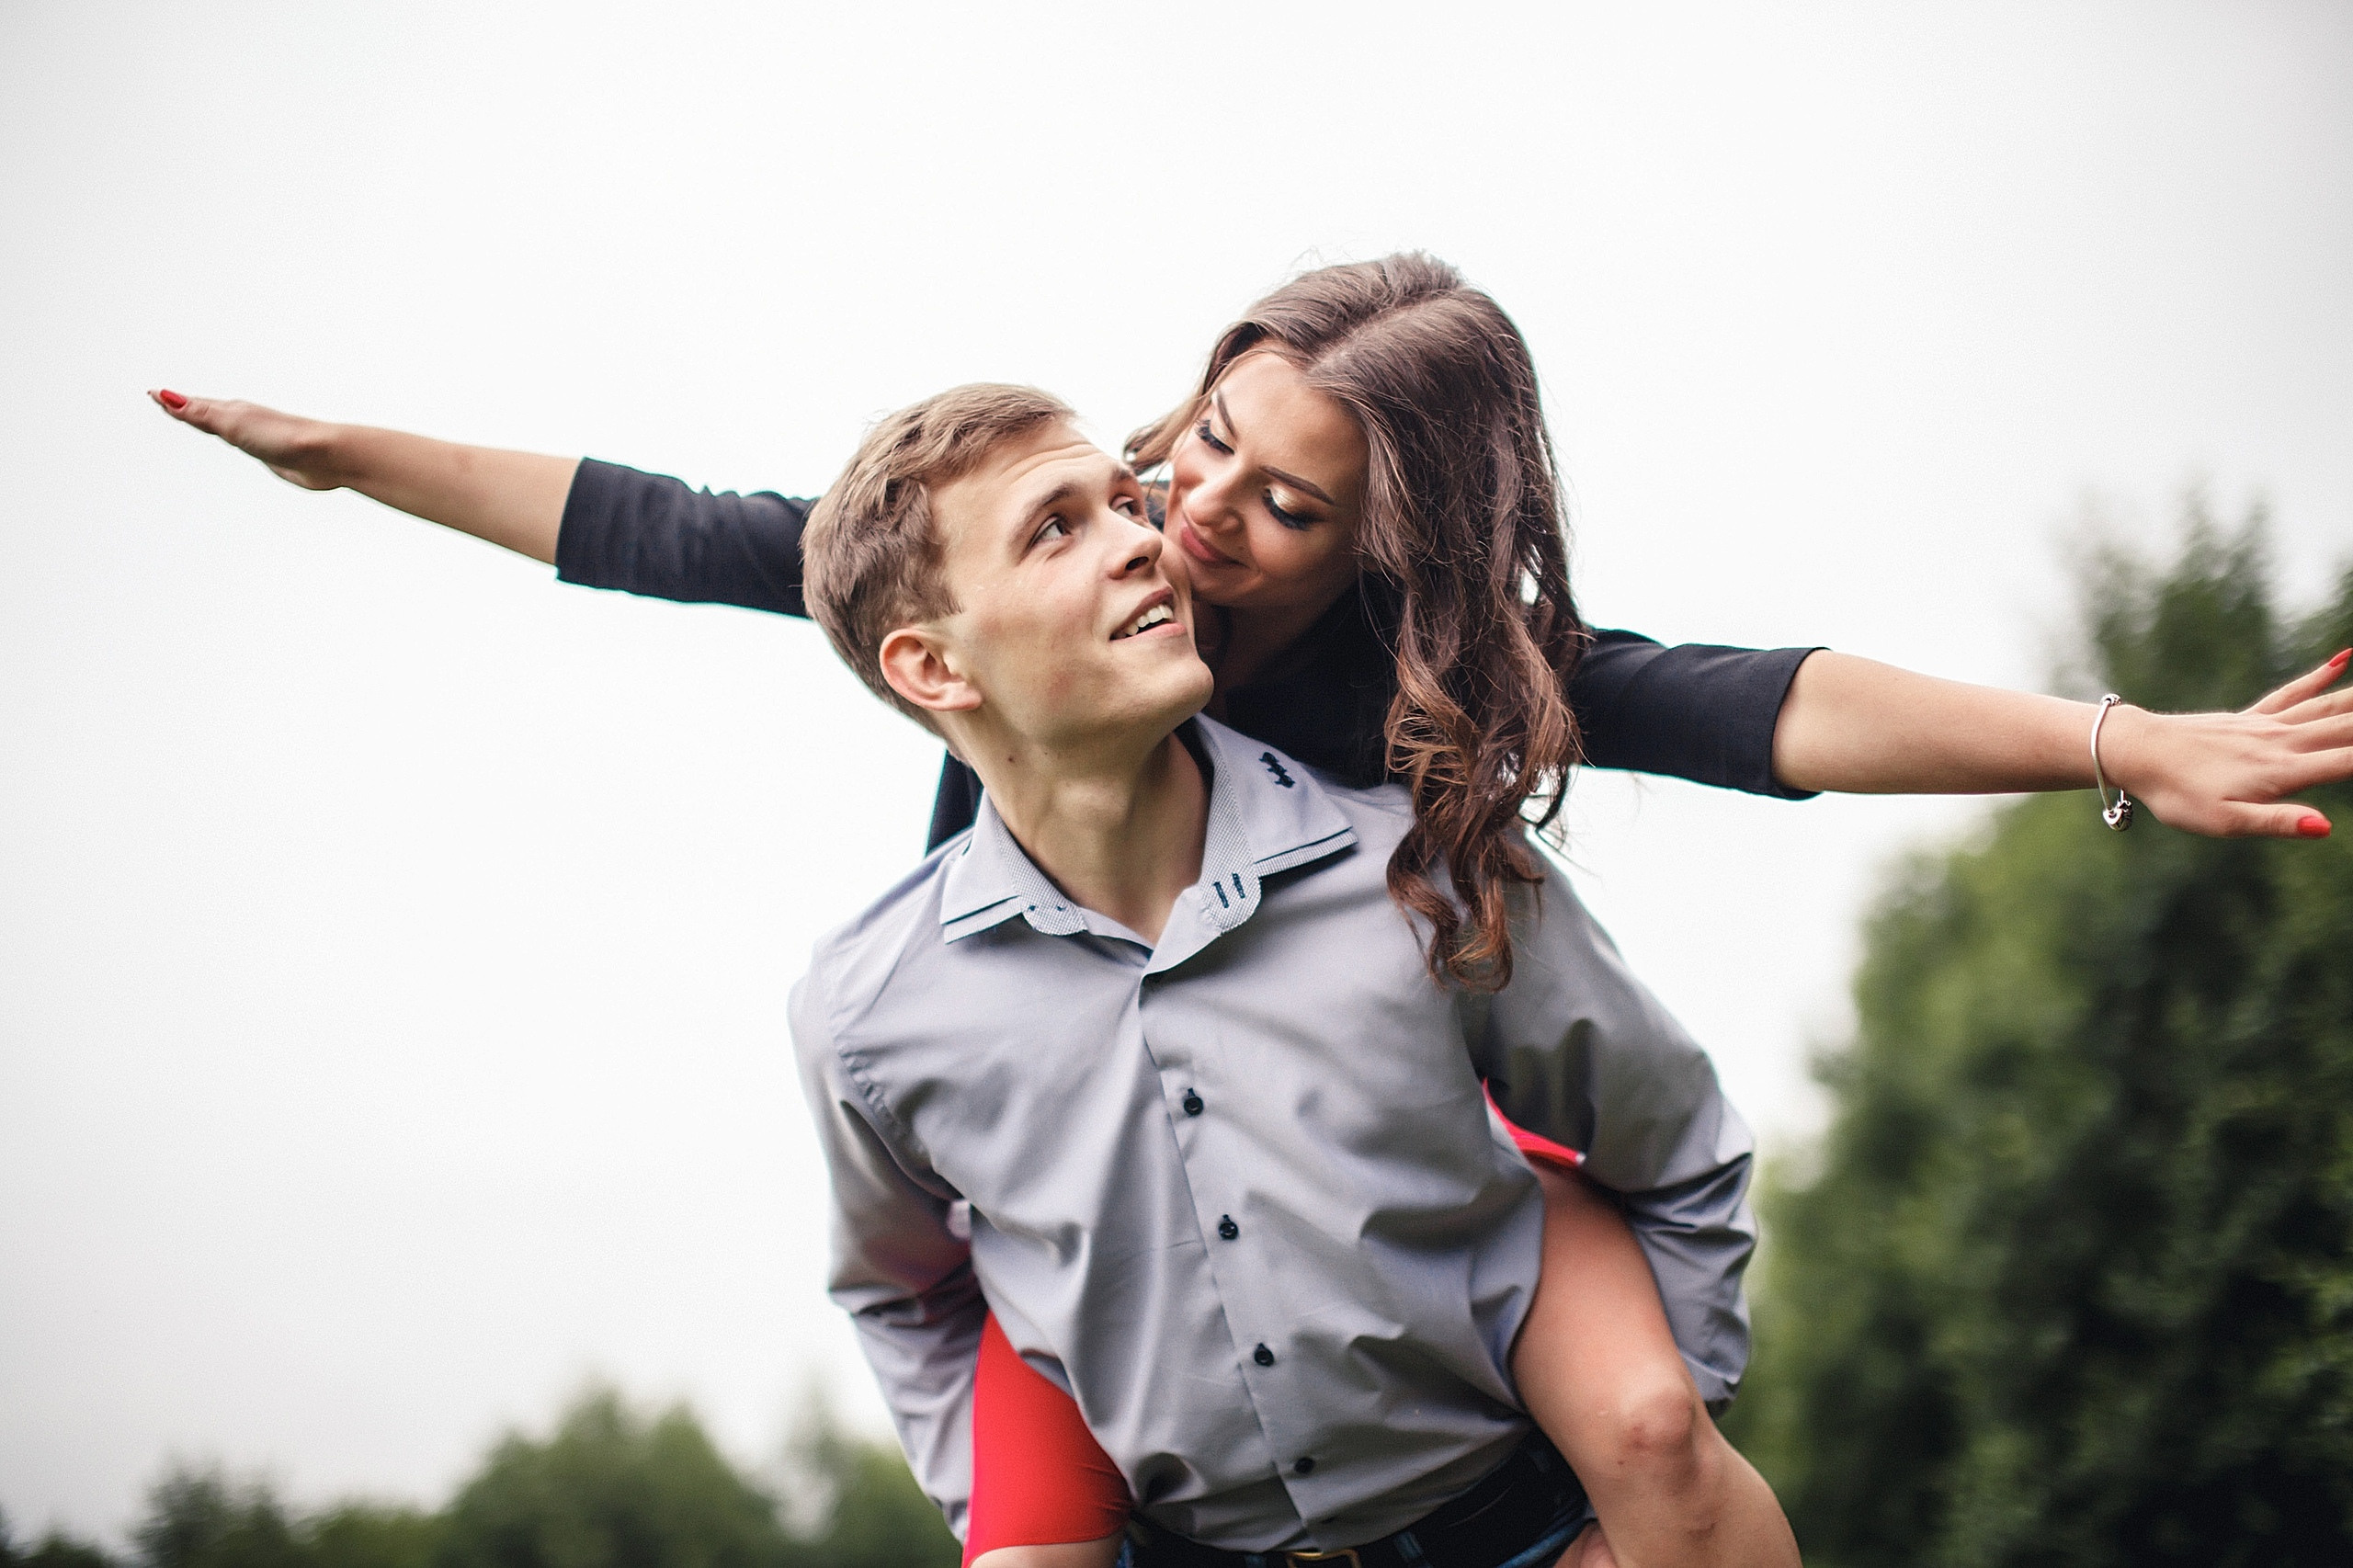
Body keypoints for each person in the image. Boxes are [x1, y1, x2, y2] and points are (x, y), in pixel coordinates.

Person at [152, 255, 2353, 1568]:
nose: (1186, 515)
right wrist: (359, 459)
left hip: (1329, 1112)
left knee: (1642, 1420)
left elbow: (1765, 708)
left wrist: (2114, 741)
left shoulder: (1392, 689)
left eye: (1271, 500)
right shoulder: (1026, 580)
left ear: (1375, 544)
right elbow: (681, 527)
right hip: (1052, 1164)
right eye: (1186, 445)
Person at [792, 380, 1768, 1568]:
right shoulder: (869, 1014)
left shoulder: (1424, 863)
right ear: (933, 667)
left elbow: (1676, 1146)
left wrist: (1668, 1452)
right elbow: (903, 1292)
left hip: (1536, 1528)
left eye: (1125, 501)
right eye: (1059, 527)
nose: (1145, 541)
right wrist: (989, 1503)